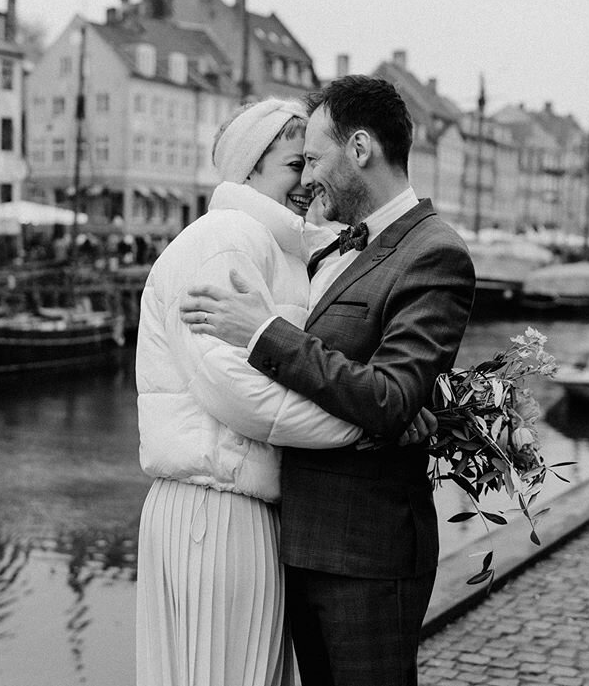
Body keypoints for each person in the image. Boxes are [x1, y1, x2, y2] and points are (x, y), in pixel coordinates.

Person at [180, 75, 477, 686]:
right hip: (300, 544)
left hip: (368, 556)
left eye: (315, 157)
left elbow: (392, 397)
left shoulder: (434, 253)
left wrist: (264, 333)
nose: (308, 175)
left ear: (360, 150)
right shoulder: (332, 249)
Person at [136, 97, 387, 686]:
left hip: (231, 502)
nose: (309, 180)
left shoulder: (272, 245)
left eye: (312, 163)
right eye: (293, 165)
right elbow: (235, 391)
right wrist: (358, 423)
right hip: (215, 506)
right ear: (249, 167)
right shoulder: (228, 237)